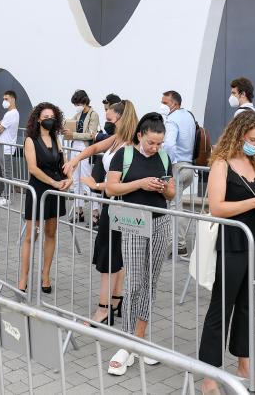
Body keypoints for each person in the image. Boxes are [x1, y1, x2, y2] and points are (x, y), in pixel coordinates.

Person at [198, 111, 255, 395]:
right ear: (238, 134)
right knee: (222, 306)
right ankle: (209, 375)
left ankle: (245, 366)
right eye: (252, 139)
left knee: (247, 306)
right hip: (232, 242)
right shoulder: (221, 163)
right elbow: (217, 207)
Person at [104, 113, 175, 376]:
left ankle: (140, 339)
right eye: (151, 142)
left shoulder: (164, 158)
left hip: (160, 222)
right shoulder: (124, 155)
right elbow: (111, 188)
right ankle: (127, 344)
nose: (155, 148)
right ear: (140, 136)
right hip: (133, 222)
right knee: (134, 282)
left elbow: (172, 193)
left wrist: (162, 188)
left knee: (150, 282)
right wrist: (140, 184)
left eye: (159, 143)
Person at [64, 100, 138, 325]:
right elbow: (95, 148)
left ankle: (103, 309)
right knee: (114, 255)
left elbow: (125, 181)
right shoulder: (117, 139)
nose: (108, 123)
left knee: (110, 257)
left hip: (119, 204)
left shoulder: (131, 145)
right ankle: (115, 301)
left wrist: (96, 185)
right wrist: (76, 159)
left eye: (110, 119)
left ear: (121, 118)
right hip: (111, 202)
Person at [18, 102, 70, 292]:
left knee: (50, 233)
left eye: (52, 117)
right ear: (38, 119)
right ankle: (23, 279)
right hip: (39, 190)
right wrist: (54, 183)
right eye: (46, 117)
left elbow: (64, 164)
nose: (49, 120)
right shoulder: (30, 140)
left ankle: (45, 275)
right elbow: (33, 168)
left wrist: (69, 179)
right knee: (32, 235)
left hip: (55, 192)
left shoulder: (56, 139)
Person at [160, 90, 195, 255]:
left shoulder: (172, 119)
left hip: (177, 166)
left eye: (165, 103)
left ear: (174, 103)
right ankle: (174, 240)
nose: (162, 105)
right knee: (177, 204)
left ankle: (179, 245)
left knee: (175, 206)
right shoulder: (188, 115)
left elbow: (169, 144)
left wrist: (169, 163)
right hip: (189, 166)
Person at [64, 89, 99, 224]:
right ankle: (79, 212)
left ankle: (95, 214)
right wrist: (65, 129)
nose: (77, 106)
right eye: (75, 104)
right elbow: (69, 124)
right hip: (75, 147)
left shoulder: (93, 115)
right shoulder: (78, 114)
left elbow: (91, 134)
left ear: (84, 101)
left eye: (78, 103)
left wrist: (73, 134)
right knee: (76, 180)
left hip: (85, 148)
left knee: (87, 179)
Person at [0, 90, 20, 205]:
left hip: (7, 148)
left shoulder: (11, 114)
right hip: (3, 146)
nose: (4, 101)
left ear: (13, 99)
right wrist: (0, 125)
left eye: (6, 99)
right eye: (3, 99)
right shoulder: (9, 113)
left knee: (6, 173)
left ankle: (6, 197)